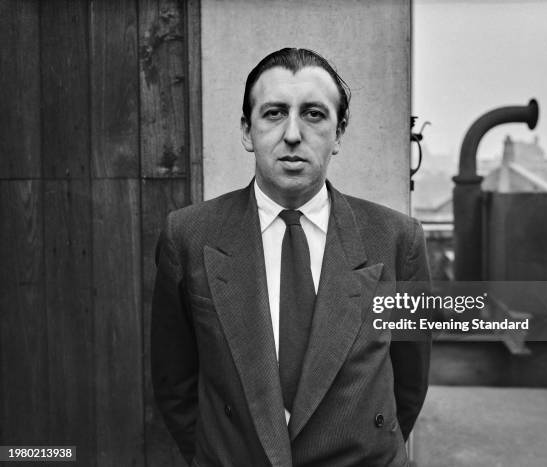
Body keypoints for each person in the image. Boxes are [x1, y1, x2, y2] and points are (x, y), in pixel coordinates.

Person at [151, 48, 431, 467]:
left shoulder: (396, 240)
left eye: (314, 114)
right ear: (248, 131)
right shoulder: (189, 235)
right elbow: (175, 382)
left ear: (339, 134)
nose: (293, 134)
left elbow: (409, 385)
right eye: (274, 113)